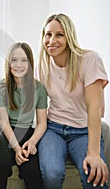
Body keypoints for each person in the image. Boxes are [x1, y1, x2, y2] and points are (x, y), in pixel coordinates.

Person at [35, 13, 109, 188]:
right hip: (53, 129)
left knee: (95, 176)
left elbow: (94, 107)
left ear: (69, 37)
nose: (52, 40)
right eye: (48, 34)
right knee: (52, 174)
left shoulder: (89, 60)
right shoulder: (41, 68)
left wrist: (93, 153)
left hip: (83, 130)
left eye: (59, 34)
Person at [0, 42, 47, 189]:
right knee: (3, 163)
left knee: (32, 169)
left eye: (24, 60)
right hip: (2, 130)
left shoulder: (39, 88)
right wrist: (17, 149)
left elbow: (42, 123)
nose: (19, 65)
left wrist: (32, 142)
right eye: (14, 60)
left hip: (26, 131)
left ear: (30, 63)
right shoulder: (0, 88)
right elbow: (4, 122)